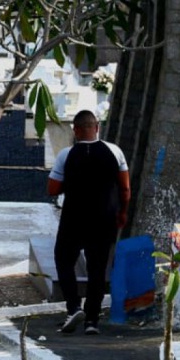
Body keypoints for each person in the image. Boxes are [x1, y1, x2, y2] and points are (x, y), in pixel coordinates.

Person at [48, 110, 130, 335]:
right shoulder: (115, 151)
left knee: (64, 260)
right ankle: (92, 320)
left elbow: (52, 189)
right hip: (104, 218)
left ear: (75, 130)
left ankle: (74, 307)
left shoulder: (67, 154)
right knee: (97, 268)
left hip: (74, 217)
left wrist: (71, 183)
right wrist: (122, 212)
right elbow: (125, 188)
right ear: (97, 127)